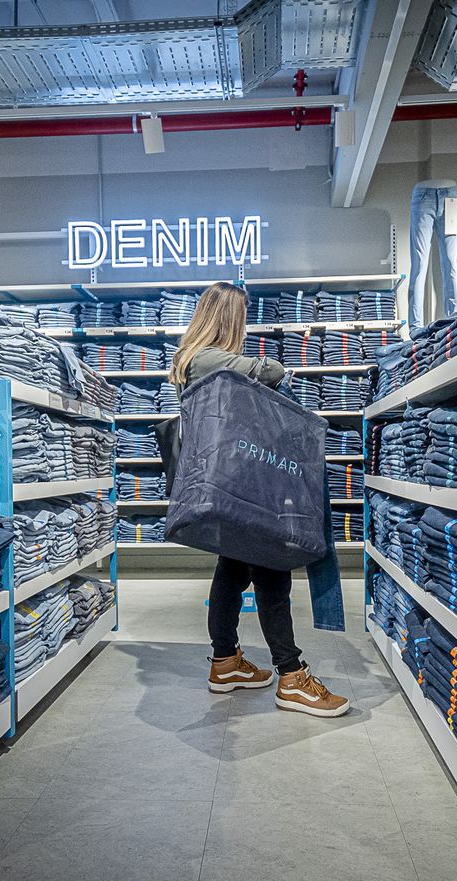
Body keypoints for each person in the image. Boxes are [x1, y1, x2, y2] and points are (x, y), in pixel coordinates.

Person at [168, 281, 349, 718]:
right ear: (229, 319)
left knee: (232, 569)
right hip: (248, 487)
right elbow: (268, 371)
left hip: (231, 485)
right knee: (273, 568)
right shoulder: (210, 361)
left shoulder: (191, 361)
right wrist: (273, 369)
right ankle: (291, 676)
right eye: (242, 319)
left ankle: (226, 662)